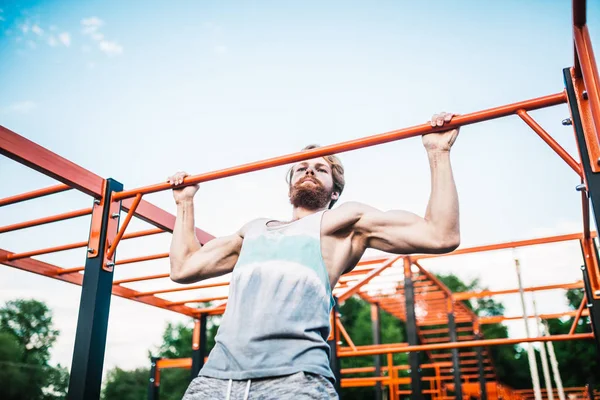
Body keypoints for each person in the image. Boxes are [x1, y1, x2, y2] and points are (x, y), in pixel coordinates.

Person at [168, 112, 461, 399]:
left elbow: (440, 235)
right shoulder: (253, 231)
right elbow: (183, 268)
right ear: (289, 189)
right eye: (301, 167)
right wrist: (185, 202)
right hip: (216, 380)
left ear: (335, 192)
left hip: (295, 379)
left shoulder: (347, 223)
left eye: (321, 169)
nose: (309, 170)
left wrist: (438, 151)